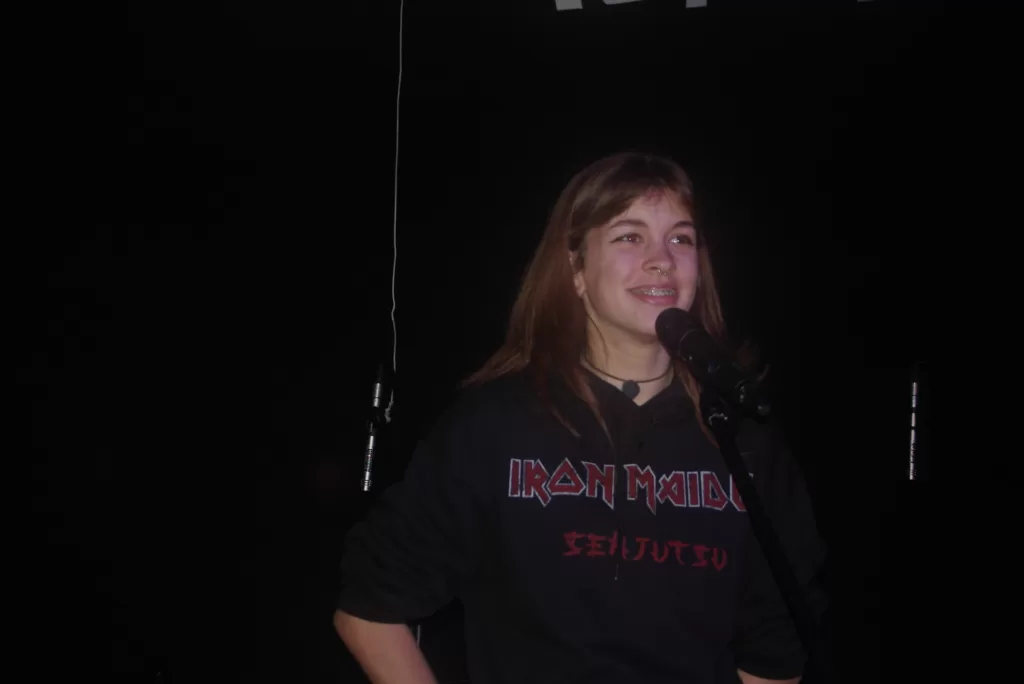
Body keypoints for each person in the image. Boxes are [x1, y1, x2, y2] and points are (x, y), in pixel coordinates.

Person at [333, 151, 828, 683]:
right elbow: (369, 609)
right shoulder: (494, 427)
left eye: (681, 239)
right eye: (629, 236)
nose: (662, 259)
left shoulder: (743, 437)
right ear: (576, 270)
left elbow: (776, 649)